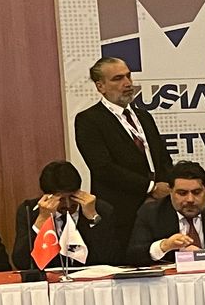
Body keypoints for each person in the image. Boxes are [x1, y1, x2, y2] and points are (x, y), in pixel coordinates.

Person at [73, 57, 175, 221]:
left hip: (159, 207)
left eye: (128, 76)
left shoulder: (144, 116)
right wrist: (150, 187)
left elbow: (162, 158)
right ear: (100, 86)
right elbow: (103, 168)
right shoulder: (89, 120)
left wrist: (168, 186)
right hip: (120, 210)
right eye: (118, 78)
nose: (127, 83)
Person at [13, 160, 122, 278]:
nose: (68, 205)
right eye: (61, 199)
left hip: (93, 282)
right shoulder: (29, 211)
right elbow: (21, 263)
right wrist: (42, 220)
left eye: (72, 197)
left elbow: (113, 259)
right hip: (49, 281)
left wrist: (93, 218)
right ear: (47, 196)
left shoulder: (101, 209)